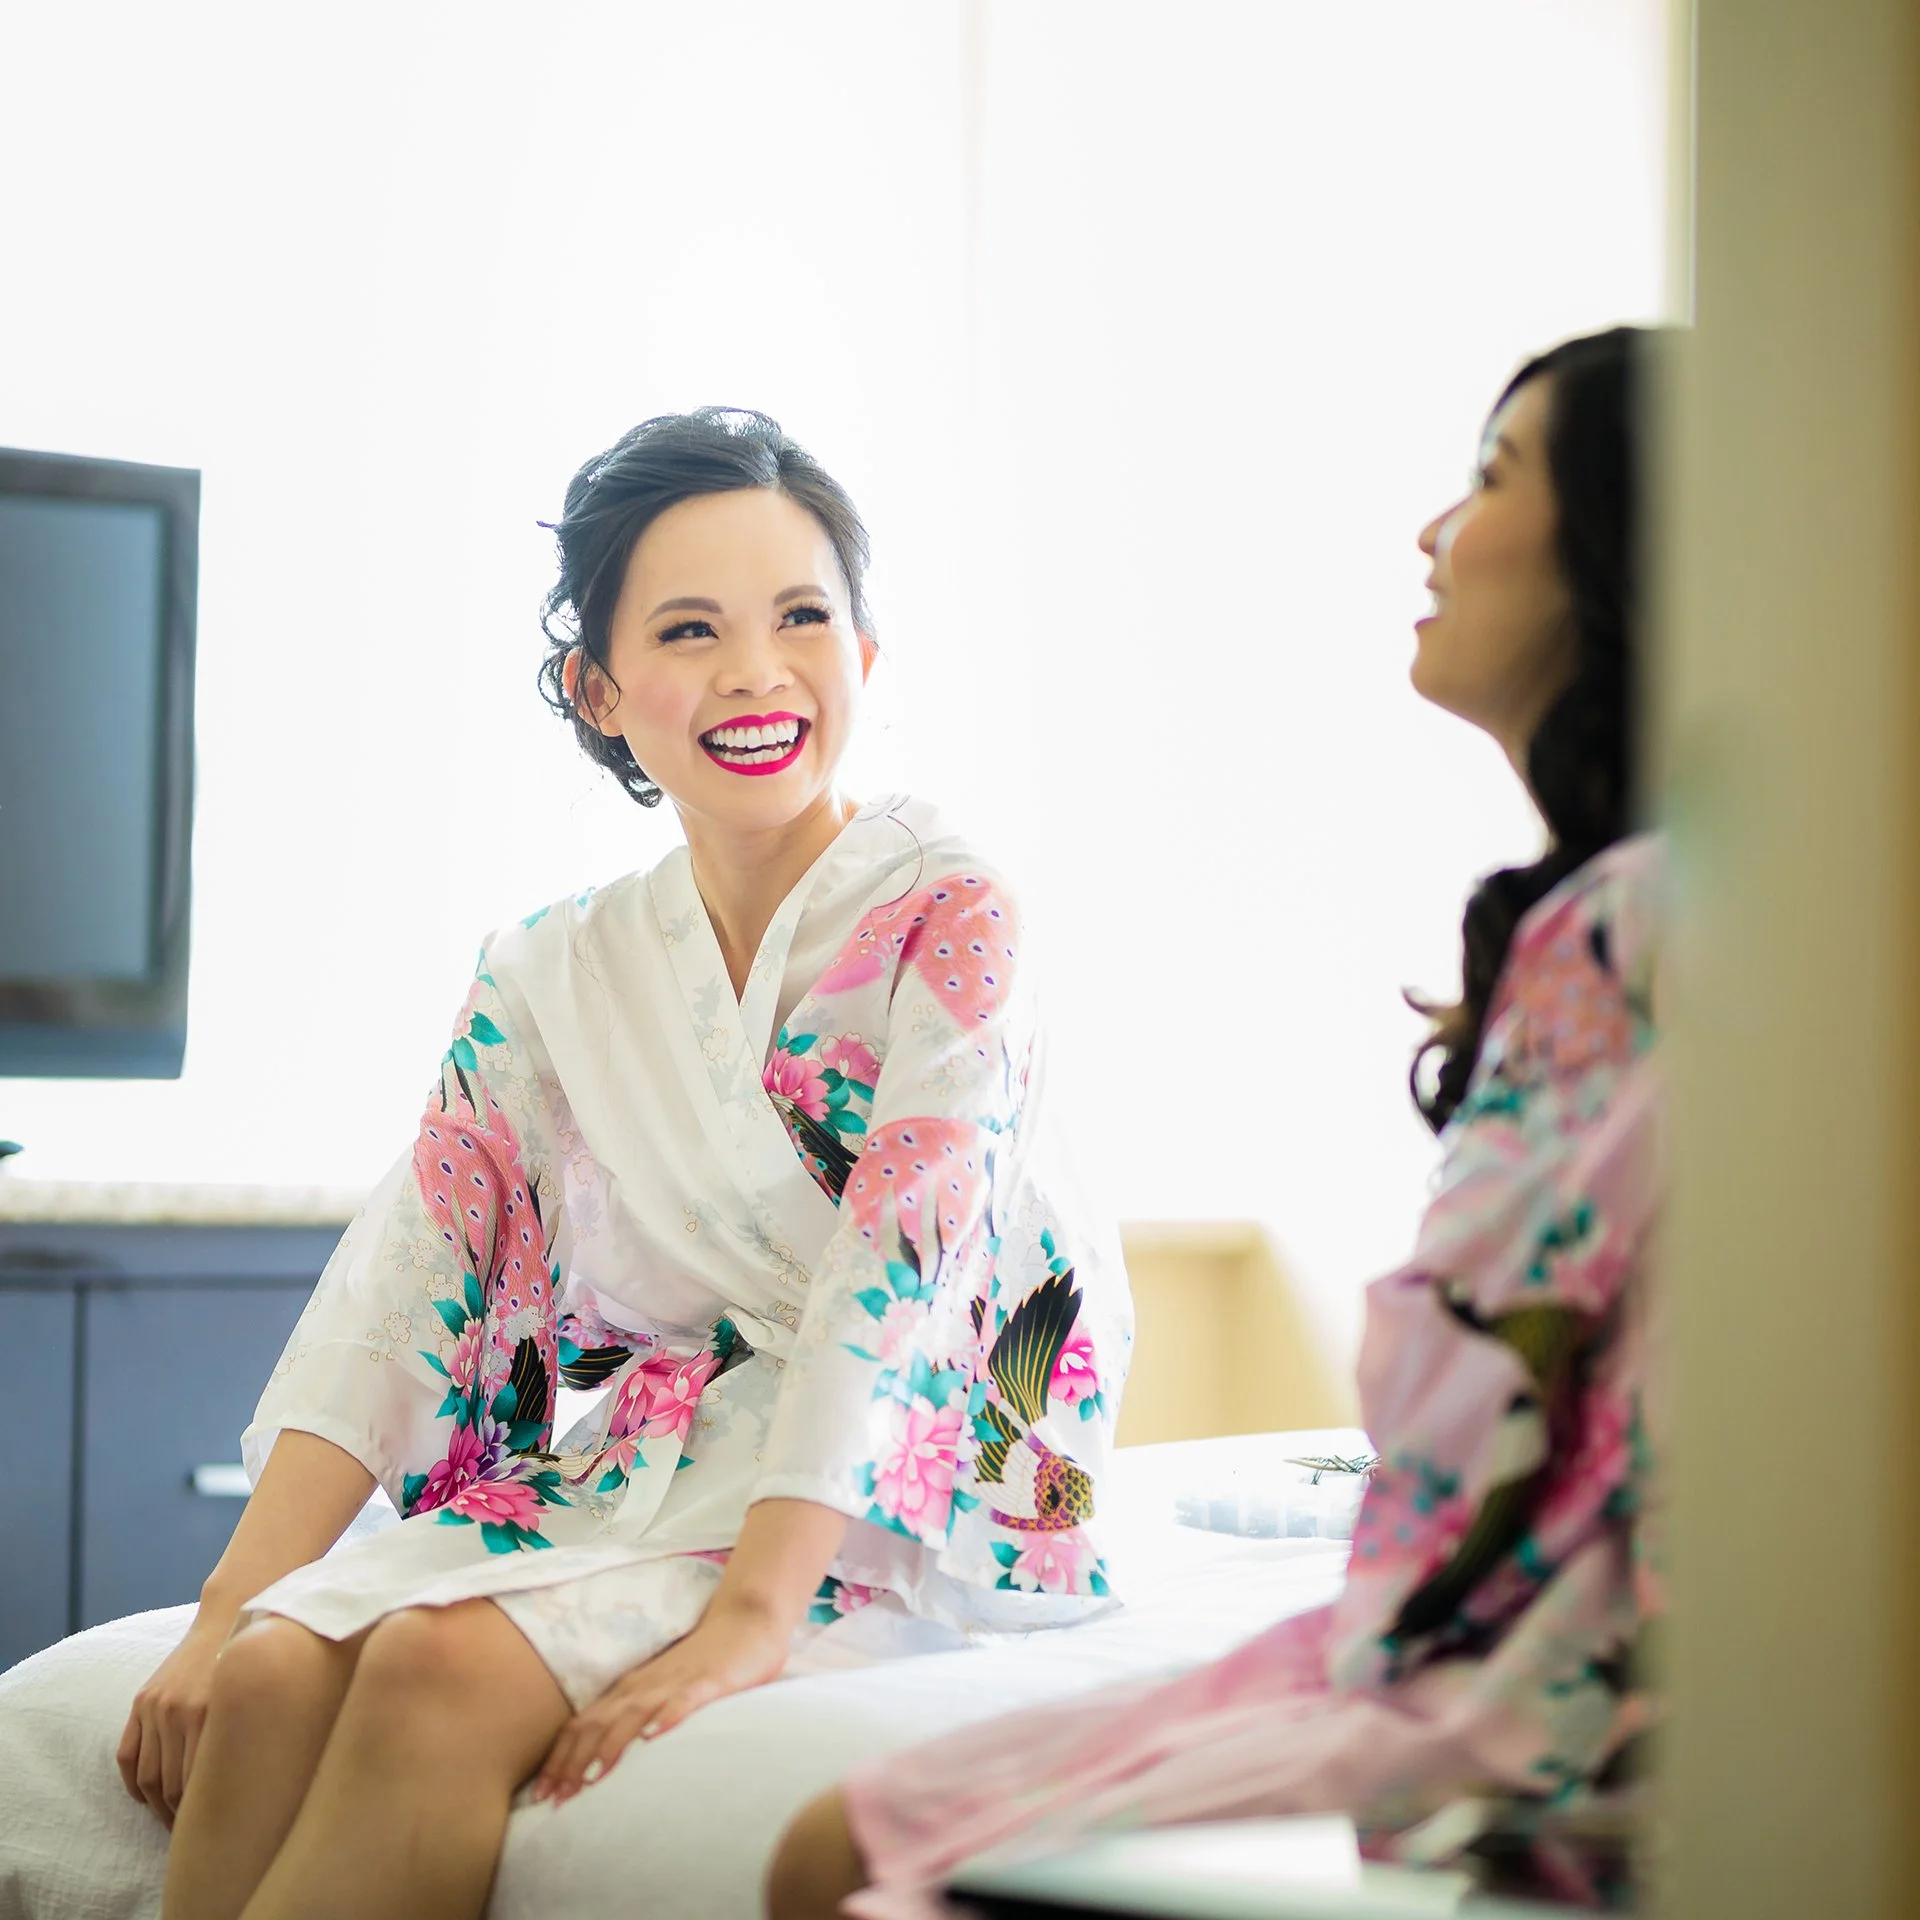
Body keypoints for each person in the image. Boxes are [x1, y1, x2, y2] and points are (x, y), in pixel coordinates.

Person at [117, 408, 1132, 1920]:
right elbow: (414, 1280)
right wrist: (219, 1611)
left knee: (441, 1663)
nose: (756, 673)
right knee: (270, 1673)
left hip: (920, 1444)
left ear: (868, 652)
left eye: (803, 617)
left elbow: (901, 1272)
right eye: (689, 629)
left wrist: (751, 1619)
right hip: (676, 1443)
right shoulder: (554, 969)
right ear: (598, 688)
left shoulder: (953, 910)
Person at [769, 326, 1665, 1919]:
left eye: (1489, 476)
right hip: (1428, 1630)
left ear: (1627, 537)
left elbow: (1498, 1420)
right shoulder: (1599, 927)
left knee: (856, 1866)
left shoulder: (1634, 935)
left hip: (1505, 1673)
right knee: (838, 1836)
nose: (1432, 532)